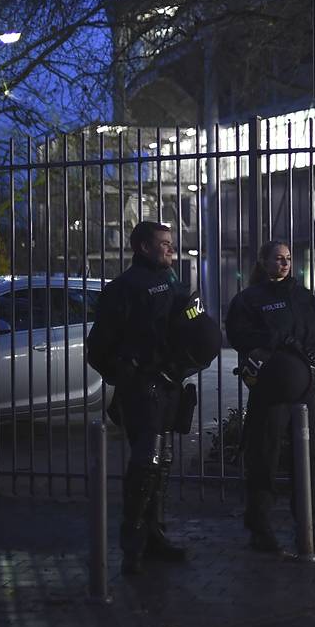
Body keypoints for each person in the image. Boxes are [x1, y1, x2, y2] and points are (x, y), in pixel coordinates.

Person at [87, 221, 216, 575]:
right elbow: (99, 347)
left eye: (172, 242)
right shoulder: (123, 289)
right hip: (142, 387)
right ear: (143, 247)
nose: (171, 248)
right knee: (147, 461)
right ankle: (132, 544)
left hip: (170, 382)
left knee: (162, 461)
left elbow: (190, 325)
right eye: (164, 243)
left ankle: (154, 535)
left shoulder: (173, 284)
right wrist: (128, 372)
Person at [225, 241, 315, 554]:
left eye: (287, 258)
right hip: (270, 394)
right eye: (277, 258)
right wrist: (275, 341)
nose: (284, 264)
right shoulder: (249, 299)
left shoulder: (303, 297)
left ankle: (308, 525)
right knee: (264, 459)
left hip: (305, 392)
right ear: (263, 261)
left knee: (309, 460)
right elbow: (238, 336)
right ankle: (260, 527)